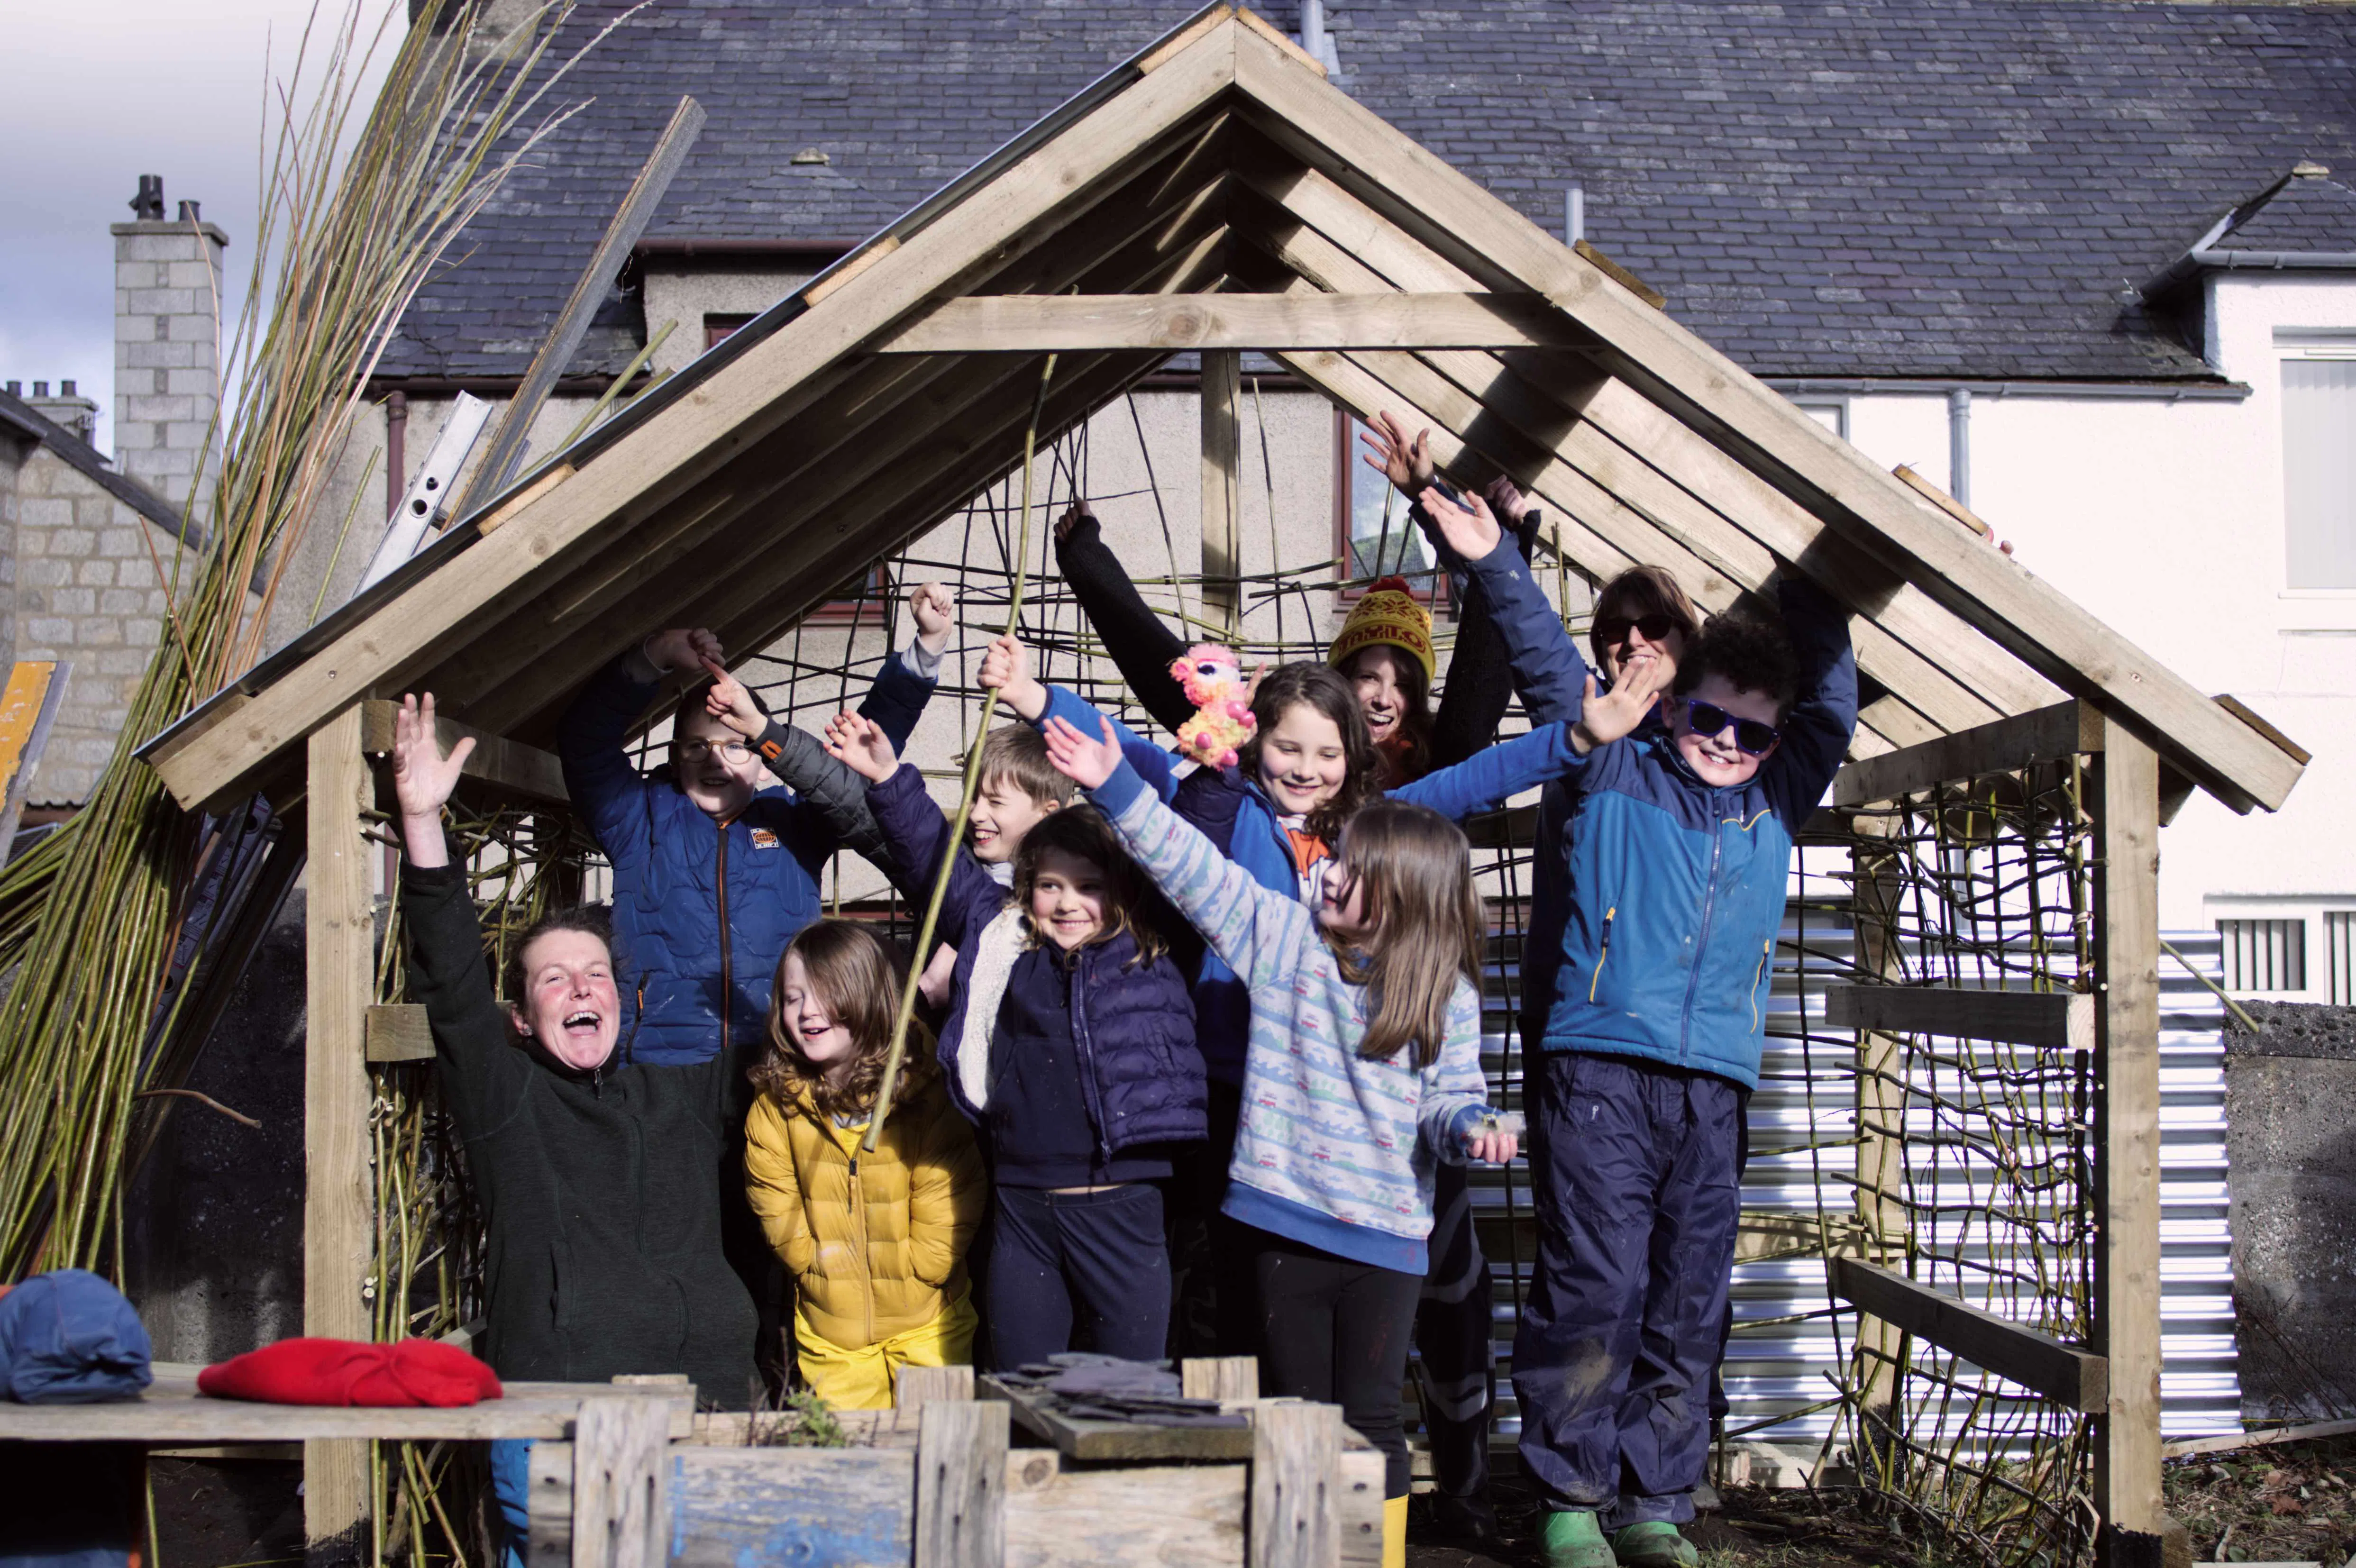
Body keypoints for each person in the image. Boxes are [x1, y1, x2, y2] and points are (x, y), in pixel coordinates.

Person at [1418, 485, 1856, 1568]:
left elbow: (1831, 706)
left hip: (1714, 1079)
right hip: (1599, 1063)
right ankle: (1571, 1492)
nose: (1726, 741)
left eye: (1752, 731)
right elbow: (1543, 660)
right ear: (1674, 706)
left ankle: (1655, 1499)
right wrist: (1495, 561)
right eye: (1708, 717)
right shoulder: (1617, 758)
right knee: (1595, 1281)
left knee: (1685, 1286)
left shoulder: (1775, 792)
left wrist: (1829, 577)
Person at [986, 639, 1588, 1366]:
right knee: (1193, 1265)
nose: (1306, 770)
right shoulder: (1222, 800)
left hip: (1313, 1100)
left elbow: (1474, 780)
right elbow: (1124, 760)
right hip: (1217, 1075)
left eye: (1328, 754)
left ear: (1355, 756)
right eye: (1288, 747)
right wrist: (1033, 696)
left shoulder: (1369, 831)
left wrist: (1577, 737)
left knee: (1263, 1286)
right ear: (1253, 741)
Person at [1038, 712, 1520, 1568]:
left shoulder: (1444, 993)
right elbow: (1192, 868)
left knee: (1371, 1416)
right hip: (1283, 1222)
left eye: (1348, 867)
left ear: (1402, 894)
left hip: (1385, 1240)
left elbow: (1451, 1103)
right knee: (1295, 1407)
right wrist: (1115, 785)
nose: (1325, 870)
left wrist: (1471, 1131)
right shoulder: (1282, 937)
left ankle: (1376, 1556)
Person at [388, 693, 758, 1568]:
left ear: (625, 1003)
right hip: (565, 1419)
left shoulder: (685, 1094)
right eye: (552, 980)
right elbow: (449, 988)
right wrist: (422, 823)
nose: (580, 988)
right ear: (521, 1018)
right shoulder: (509, 1100)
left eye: (593, 973)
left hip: (709, 1413)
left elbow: (788, 1034)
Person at [825, 711, 1207, 1370]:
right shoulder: (1004, 939)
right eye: (1049, 887)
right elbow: (932, 860)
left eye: (1089, 889)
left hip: (1120, 1202)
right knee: (1019, 1381)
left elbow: (1194, 849)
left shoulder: (1145, 946)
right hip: (1023, 1207)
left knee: (1130, 1384)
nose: (1067, 904)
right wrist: (888, 778)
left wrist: (1205, 766)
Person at [556, 582, 954, 1068]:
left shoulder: (796, 823)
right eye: (697, 746)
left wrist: (925, 651)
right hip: (660, 1070)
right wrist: (654, 654)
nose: (716, 761)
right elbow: (583, 742)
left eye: (736, 745)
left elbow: (859, 750)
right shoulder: (637, 821)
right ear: (674, 756)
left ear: (767, 760)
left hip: (779, 1063)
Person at [1050, 478, 1539, 788]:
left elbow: (1480, 687)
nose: (1384, 699)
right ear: (1340, 679)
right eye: (1369, 677)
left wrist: (1502, 556)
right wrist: (1090, 567)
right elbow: (1169, 677)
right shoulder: (1287, 750)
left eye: (1404, 685)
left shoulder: (1435, 768)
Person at [743, 919, 985, 1409]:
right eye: (793, 998)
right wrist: (812, 1264)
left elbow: (951, 1179)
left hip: (927, 1319)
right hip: (831, 1328)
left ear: (869, 995)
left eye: (825, 994)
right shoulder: (777, 1103)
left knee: (937, 1448)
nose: (807, 1011)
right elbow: (773, 1197)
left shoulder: (923, 1088)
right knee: (851, 1459)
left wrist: (925, 1267)